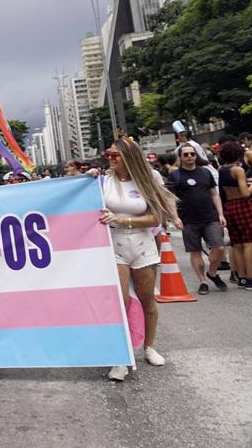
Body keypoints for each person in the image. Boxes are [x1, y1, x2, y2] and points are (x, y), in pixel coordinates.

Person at [87, 137, 178, 381]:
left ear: (128, 157)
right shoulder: (103, 181)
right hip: (113, 245)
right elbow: (85, 204)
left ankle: (149, 347)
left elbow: (155, 218)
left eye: (114, 155)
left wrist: (122, 219)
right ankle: (120, 356)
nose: (109, 158)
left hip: (143, 245)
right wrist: (88, 180)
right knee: (120, 302)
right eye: (107, 154)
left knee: (148, 300)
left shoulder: (146, 180)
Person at [168, 143, 228, 294]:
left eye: (192, 154)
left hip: (210, 217)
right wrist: (175, 217)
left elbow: (214, 194)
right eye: (186, 154)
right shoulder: (175, 175)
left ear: (196, 155)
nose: (189, 157)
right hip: (188, 219)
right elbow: (170, 198)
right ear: (180, 157)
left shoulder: (205, 172)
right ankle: (203, 281)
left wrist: (221, 214)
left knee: (219, 248)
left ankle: (212, 273)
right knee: (195, 251)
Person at [217, 141, 252, 290]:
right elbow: (245, 193)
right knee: (248, 242)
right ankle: (250, 278)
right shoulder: (238, 170)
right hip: (243, 206)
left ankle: (241, 277)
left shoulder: (222, 169)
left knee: (237, 244)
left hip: (229, 206)